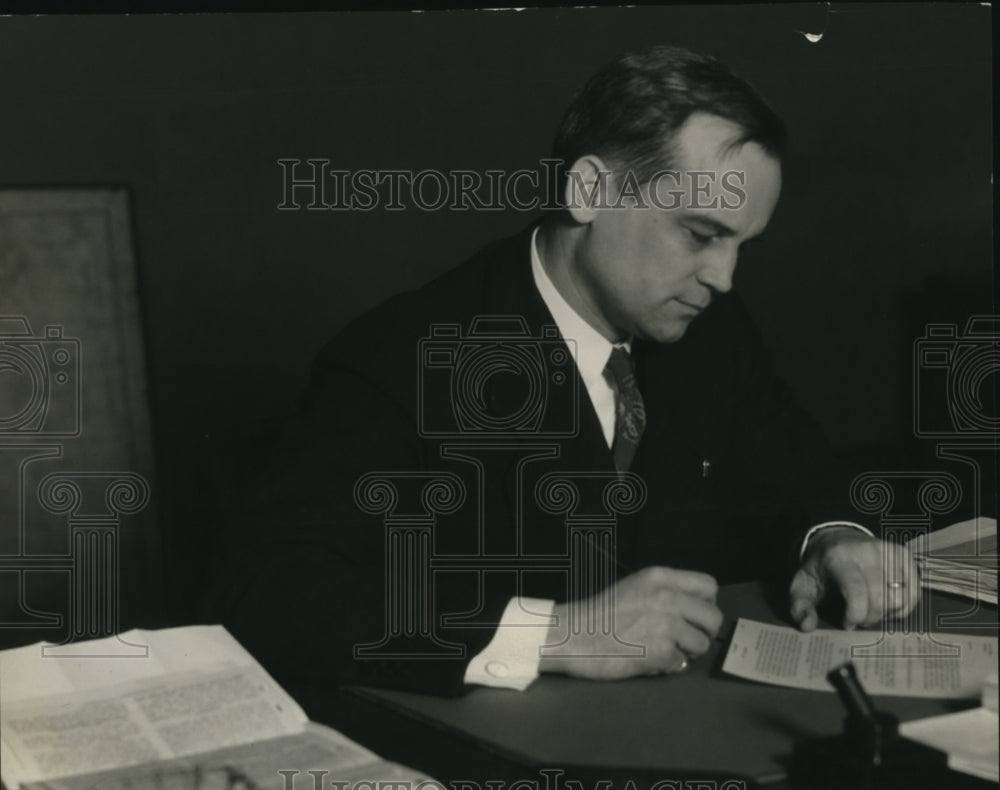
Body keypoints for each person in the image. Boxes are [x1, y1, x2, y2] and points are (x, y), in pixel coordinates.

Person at [202, 46, 918, 696]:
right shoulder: (402, 352)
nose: (724, 279)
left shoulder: (710, 332)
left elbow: (800, 465)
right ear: (590, 191)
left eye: (742, 245)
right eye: (701, 235)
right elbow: (266, 596)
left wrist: (836, 538)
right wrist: (560, 632)